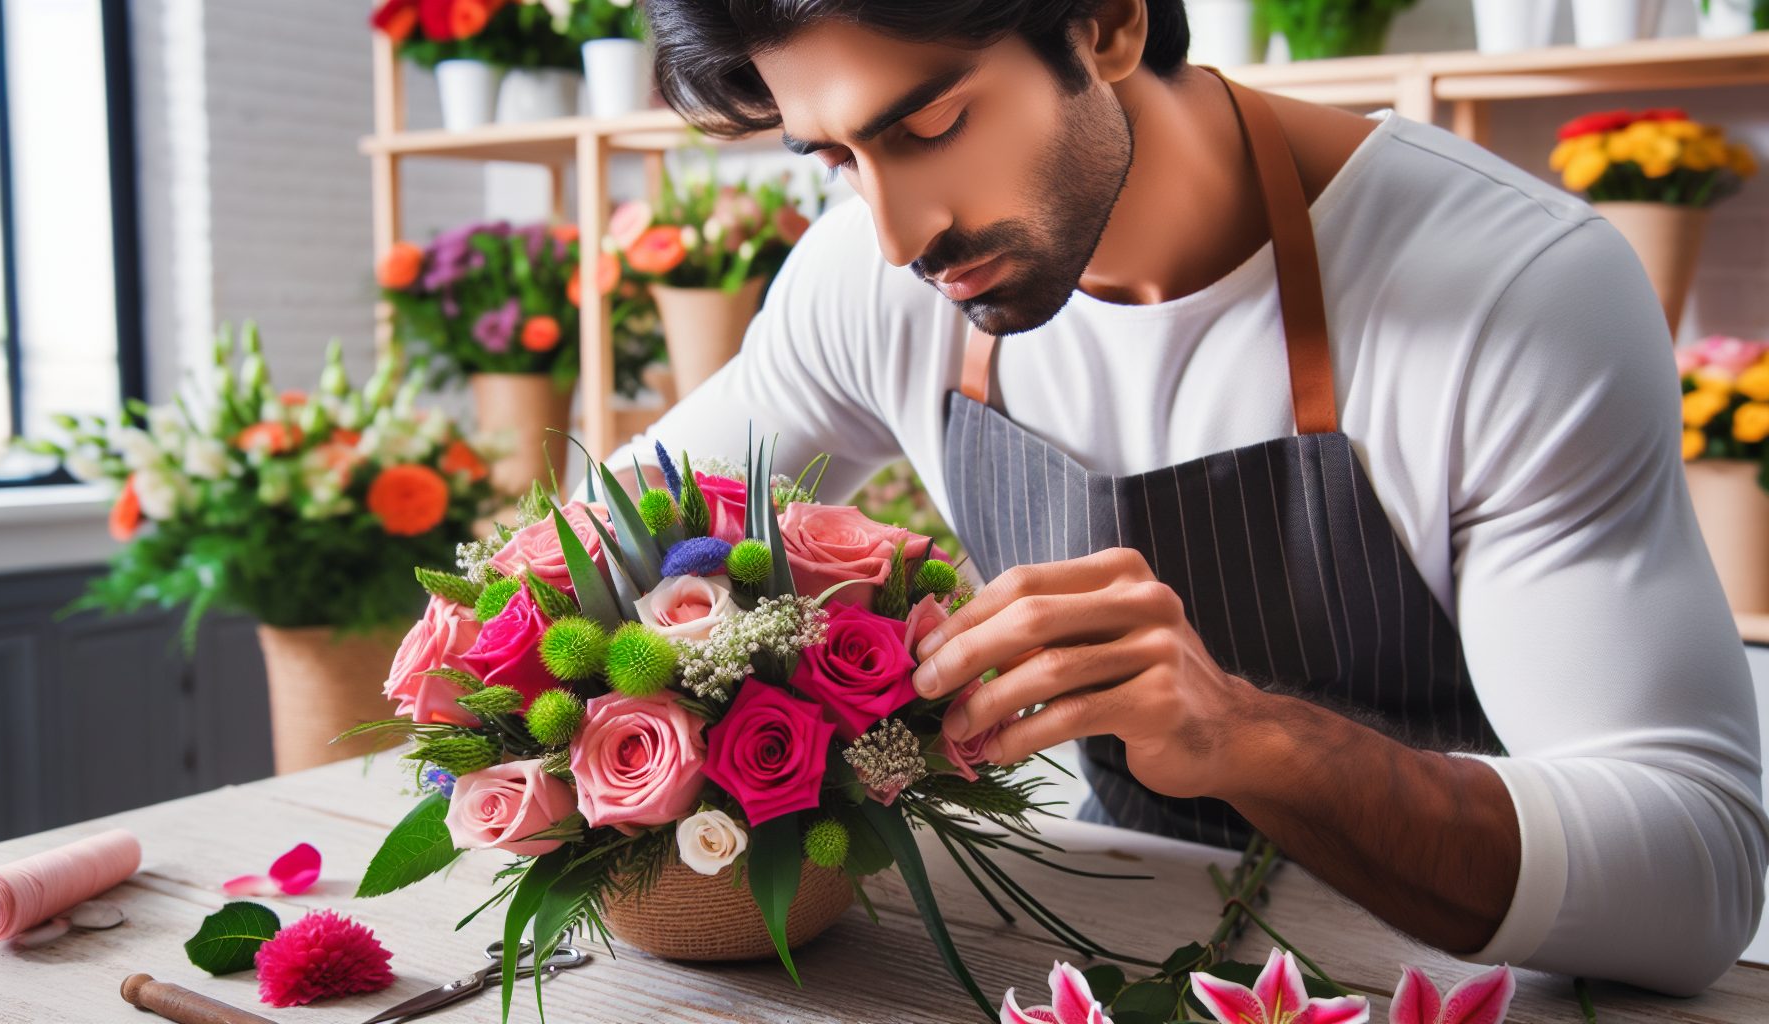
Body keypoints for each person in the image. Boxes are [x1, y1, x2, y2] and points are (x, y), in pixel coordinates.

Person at [612, 0, 1767, 993]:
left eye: (928, 126)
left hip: (1471, 983)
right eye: (835, 159)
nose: (897, 230)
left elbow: (1694, 871)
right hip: (1121, 953)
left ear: (1105, 24)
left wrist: (1244, 737)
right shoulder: (867, 284)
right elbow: (606, 535)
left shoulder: (1511, 293)